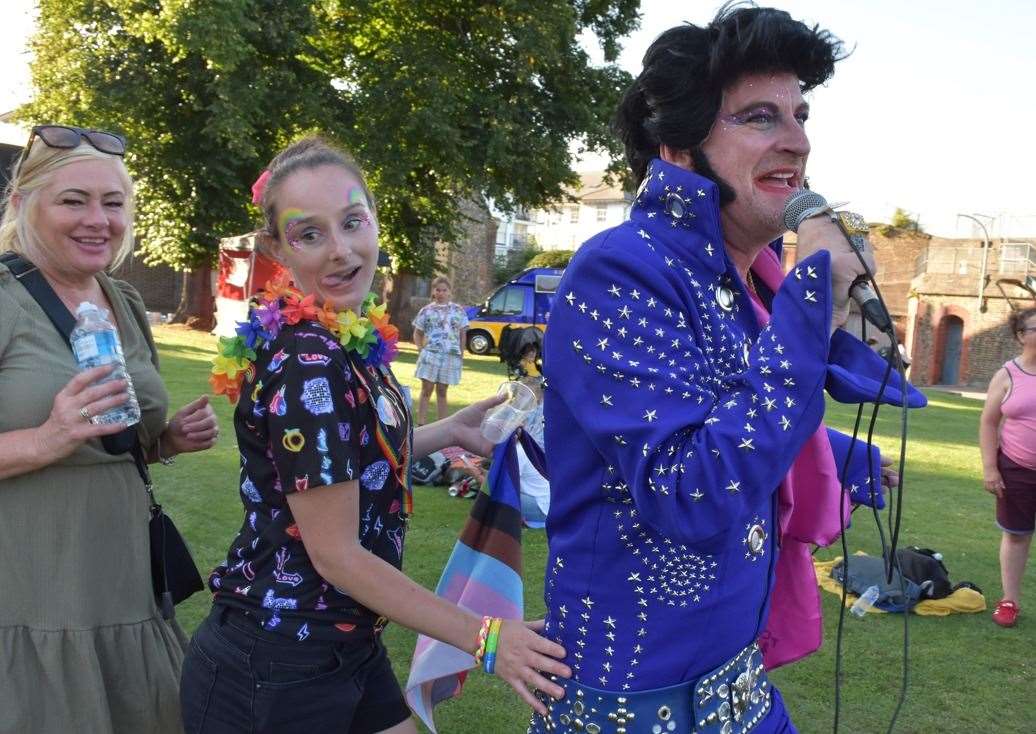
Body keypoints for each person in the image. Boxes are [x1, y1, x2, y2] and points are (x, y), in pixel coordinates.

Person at [534, 6, 921, 733]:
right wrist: (812, 307)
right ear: (679, 145)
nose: (799, 142)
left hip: (741, 693)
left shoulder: (748, 281)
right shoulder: (620, 271)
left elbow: (725, 415)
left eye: (801, 116)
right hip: (639, 713)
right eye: (760, 117)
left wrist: (837, 455)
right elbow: (691, 491)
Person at [183, 137, 568, 734]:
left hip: (346, 641)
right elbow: (336, 556)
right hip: (278, 661)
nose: (341, 251)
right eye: (309, 234)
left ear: (374, 220)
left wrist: (448, 430)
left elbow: (341, 464)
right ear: (276, 248)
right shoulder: (308, 360)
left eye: (352, 222)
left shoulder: (348, 335)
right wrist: (487, 637)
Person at [0, 125, 219, 733]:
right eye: (74, 200)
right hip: (29, 594)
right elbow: (60, 434)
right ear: (23, 204)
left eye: (113, 203)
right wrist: (47, 437)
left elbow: (118, 436)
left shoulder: (121, 301)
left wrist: (166, 439)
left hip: (125, 590)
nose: (98, 219)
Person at [979, 306, 1036, 627]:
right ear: (1021, 336)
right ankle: (1009, 601)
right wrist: (991, 468)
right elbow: (989, 423)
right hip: (1016, 468)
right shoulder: (1007, 375)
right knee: (1016, 536)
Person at [413, 276, 469, 424]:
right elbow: (418, 332)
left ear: (450, 292)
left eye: (444, 290)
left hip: (451, 355)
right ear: (433, 291)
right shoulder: (426, 311)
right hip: (430, 354)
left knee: (442, 391)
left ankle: (441, 425)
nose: (441, 293)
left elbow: (463, 334)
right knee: (427, 389)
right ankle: (421, 423)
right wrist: (420, 349)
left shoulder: (458, 311)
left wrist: (461, 353)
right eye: (438, 290)